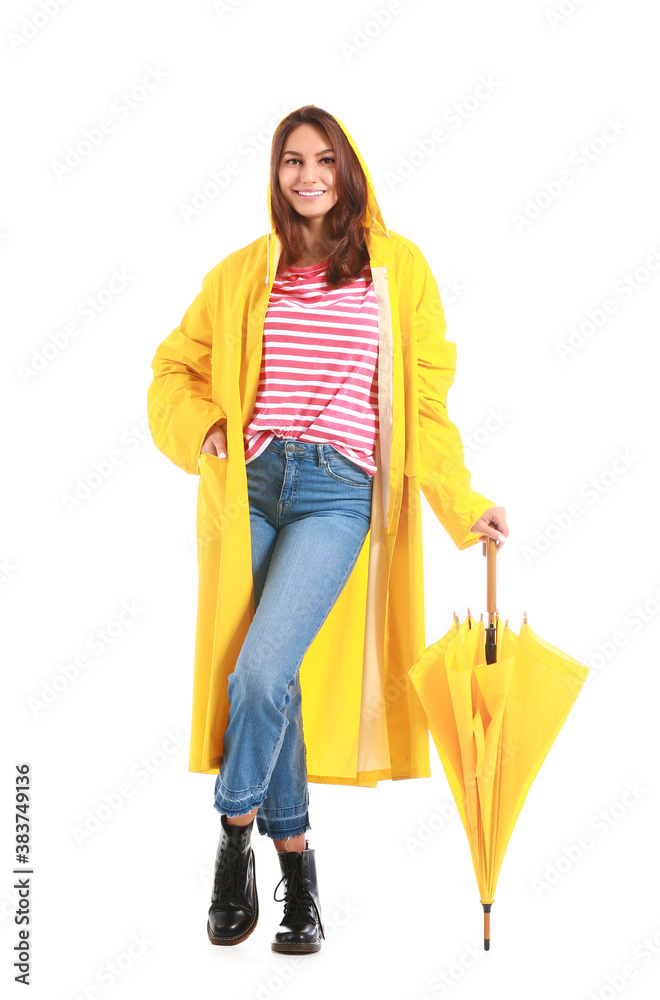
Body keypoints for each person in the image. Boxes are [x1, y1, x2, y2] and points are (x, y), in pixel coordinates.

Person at [147, 105, 510, 955]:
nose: (308, 177)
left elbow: (424, 405)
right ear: (275, 176)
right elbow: (173, 367)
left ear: (350, 171)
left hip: (336, 495)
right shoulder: (244, 274)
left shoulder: (397, 271)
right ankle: (300, 873)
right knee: (276, 684)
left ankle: (234, 833)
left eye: (324, 162)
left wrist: (462, 504)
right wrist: (203, 428)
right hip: (254, 486)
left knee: (260, 669)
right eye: (291, 163)